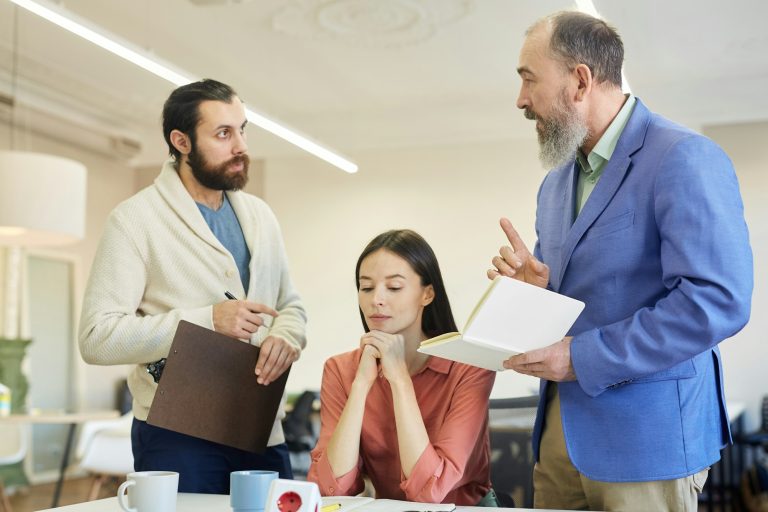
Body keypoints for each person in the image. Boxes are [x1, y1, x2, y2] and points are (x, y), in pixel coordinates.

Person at [488, 11, 753, 511]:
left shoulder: (683, 157)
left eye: (528, 80)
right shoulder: (555, 184)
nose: (521, 100)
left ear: (580, 80)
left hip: (647, 444)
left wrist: (582, 357)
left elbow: (717, 302)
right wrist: (534, 295)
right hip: (559, 440)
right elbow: (581, 302)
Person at [78, 79, 307, 493]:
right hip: (177, 433)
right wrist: (206, 321)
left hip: (258, 425)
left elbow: (290, 305)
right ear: (181, 141)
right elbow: (97, 338)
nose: (240, 145)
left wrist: (287, 336)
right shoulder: (135, 220)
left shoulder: (260, 216)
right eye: (223, 133)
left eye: (242, 129)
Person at [307, 230, 498, 506]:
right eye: (367, 287)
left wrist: (399, 380)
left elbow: (431, 491)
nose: (376, 300)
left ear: (427, 294)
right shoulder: (341, 369)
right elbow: (330, 490)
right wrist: (360, 386)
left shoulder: (470, 367)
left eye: (394, 287)